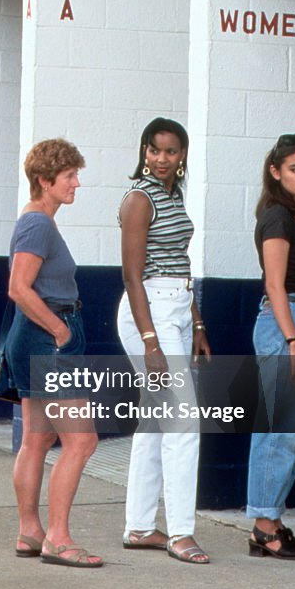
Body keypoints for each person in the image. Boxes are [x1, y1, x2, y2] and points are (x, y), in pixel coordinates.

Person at [116, 118, 211, 564]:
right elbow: (133, 276)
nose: (161, 159)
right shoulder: (139, 198)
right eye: (154, 150)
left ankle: (138, 526)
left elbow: (180, 261)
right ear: (143, 150)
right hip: (147, 312)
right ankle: (181, 533)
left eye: (171, 152)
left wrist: (197, 324)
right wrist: (151, 340)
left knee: (156, 422)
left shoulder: (174, 196)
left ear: (183, 155)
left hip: (175, 308)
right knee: (183, 423)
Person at [5, 138, 103, 568]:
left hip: (38, 336)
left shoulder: (38, 220)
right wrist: (61, 329)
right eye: (69, 176)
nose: (77, 184)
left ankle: (31, 532)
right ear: (45, 180)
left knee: (38, 439)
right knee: (82, 441)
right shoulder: (38, 224)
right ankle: (58, 539)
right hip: (49, 336)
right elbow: (18, 288)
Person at [247, 133, 295, 560]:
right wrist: (293, 340)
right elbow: (274, 284)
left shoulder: (293, 216)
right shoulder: (277, 217)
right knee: (279, 430)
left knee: (288, 430)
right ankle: (263, 525)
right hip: (288, 325)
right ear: (276, 171)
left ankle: (271, 520)